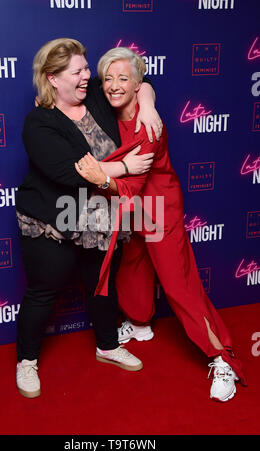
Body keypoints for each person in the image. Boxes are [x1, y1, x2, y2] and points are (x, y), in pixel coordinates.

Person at [76, 47, 246, 402]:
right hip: (129, 205)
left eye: (124, 79)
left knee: (179, 284)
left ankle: (221, 356)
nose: (114, 85)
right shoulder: (109, 104)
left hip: (157, 206)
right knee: (131, 268)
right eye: (108, 78)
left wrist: (85, 170)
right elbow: (132, 82)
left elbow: (132, 182)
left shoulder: (148, 125)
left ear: (137, 85)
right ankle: (140, 324)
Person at [15, 38, 162, 398]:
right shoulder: (39, 122)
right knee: (43, 292)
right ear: (52, 78)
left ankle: (107, 346)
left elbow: (138, 82)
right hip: (53, 218)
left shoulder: (94, 94)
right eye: (78, 71)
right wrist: (125, 166)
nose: (87, 76)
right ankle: (27, 361)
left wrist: (148, 106)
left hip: (99, 213)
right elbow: (70, 172)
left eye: (85, 68)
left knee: (102, 285)